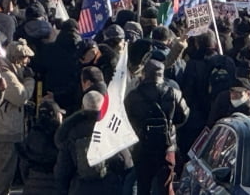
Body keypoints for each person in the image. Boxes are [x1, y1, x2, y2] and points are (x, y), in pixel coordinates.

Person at [124, 60, 189, 195]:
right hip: (167, 147)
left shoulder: (133, 95)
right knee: (166, 186)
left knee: (143, 185)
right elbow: (183, 116)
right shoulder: (174, 93)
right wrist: (170, 126)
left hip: (142, 146)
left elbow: (126, 119)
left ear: (145, 73)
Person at [55, 91, 131, 195]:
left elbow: (62, 171)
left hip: (79, 189)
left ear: (82, 107)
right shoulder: (111, 129)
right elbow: (126, 163)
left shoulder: (71, 131)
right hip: (109, 188)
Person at [0, 45, 33, 195]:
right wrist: (29, 81)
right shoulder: (5, 74)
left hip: (7, 126)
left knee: (7, 169)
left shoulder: (10, 70)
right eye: (25, 58)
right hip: (4, 128)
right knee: (5, 170)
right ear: (17, 58)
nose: (27, 62)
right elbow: (20, 97)